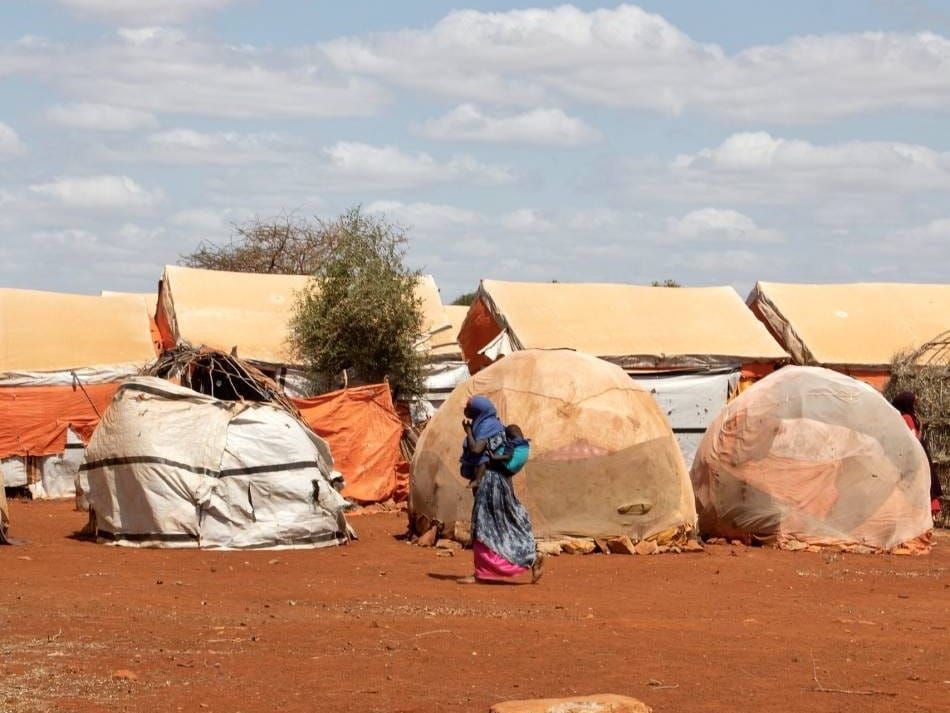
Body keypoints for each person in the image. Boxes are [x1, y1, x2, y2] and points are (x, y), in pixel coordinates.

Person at [458, 396, 543, 584]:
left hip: (490, 481)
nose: (466, 412)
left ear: (478, 411)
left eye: (469, 409)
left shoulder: (487, 426)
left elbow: (477, 450)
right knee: (500, 523)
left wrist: (469, 431)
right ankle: (530, 559)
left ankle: (487, 571)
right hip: (496, 480)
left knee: (483, 524)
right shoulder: (491, 424)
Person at [892, 391, 943, 522]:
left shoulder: (906, 418)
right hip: (920, 451)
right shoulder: (914, 416)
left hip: (913, 453)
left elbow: (910, 437)